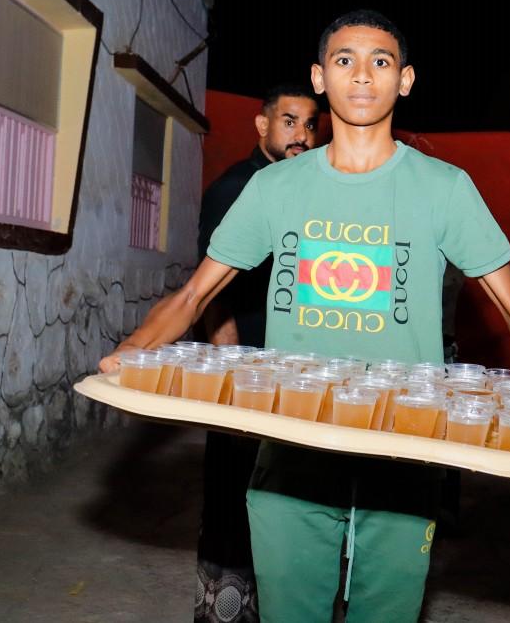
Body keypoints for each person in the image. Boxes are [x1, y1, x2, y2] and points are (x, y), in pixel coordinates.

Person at [100, 9, 510, 623]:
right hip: (292, 447)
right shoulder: (275, 188)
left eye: (381, 61)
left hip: (406, 450)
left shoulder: (445, 189)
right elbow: (194, 295)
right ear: (319, 77)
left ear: (405, 80)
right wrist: (133, 349)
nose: (362, 75)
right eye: (344, 60)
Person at [194, 84, 319, 623]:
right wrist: (229, 363)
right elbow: (209, 287)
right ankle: (223, 610)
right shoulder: (235, 188)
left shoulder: (305, 190)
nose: (301, 135)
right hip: (245, 365)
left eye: (310, 124)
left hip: (291, 368)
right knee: (232, 488)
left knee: (282, 493)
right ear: (262, 126)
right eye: (289, 122)